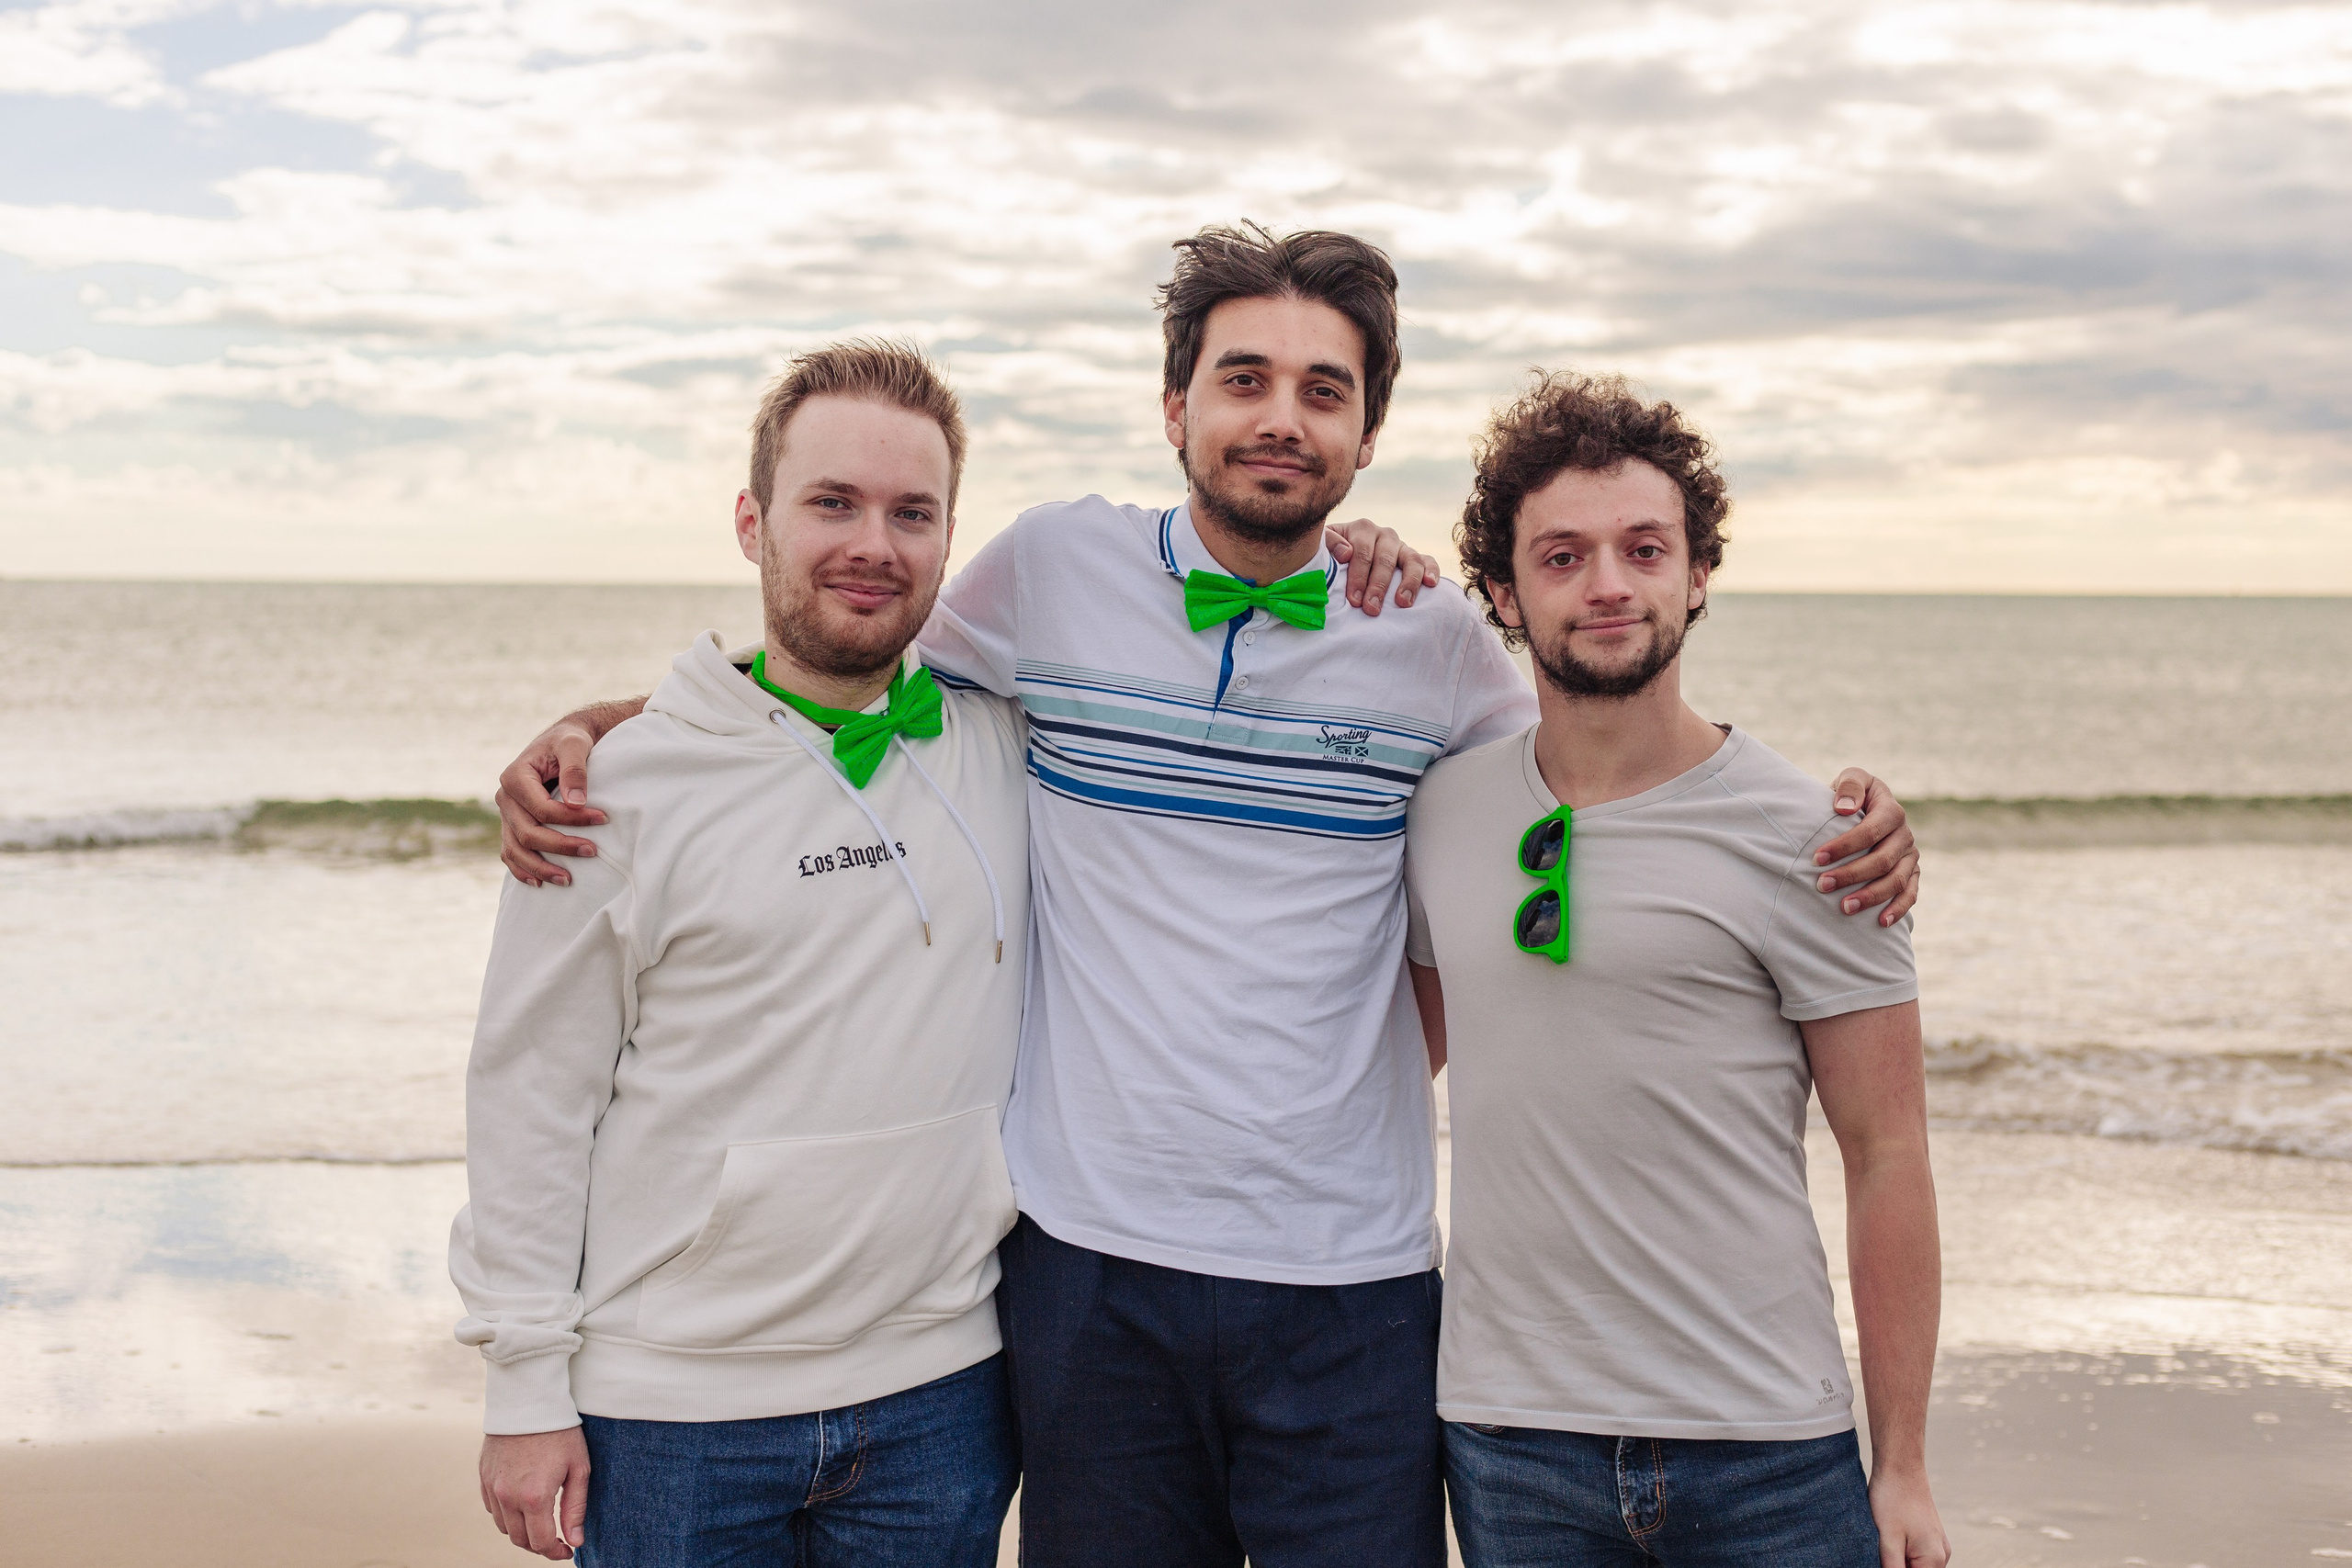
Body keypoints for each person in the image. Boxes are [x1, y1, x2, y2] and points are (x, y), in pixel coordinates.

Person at [494, 226, 1924, 1568]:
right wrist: (621, 728)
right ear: (1175, 406)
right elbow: (848, 664)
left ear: (1368, 435)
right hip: (1086, 1268)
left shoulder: (1428, 634)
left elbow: (1594, 771)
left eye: (1324, 391)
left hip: (1354, 1286)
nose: (1280, 418)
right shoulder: (1052, 570)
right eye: (1244, 380)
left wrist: (1834, 822)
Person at [453, 342, 1035, 1565]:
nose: (873, 544)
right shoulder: (613, 792)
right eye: (832, 502)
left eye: (911, 513)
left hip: (944, 1393)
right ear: (752, 522)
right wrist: (523, 1385)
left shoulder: (1008, 747)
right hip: (672, 1410)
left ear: (949, 541)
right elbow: (532, 1098)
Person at [1404, 371, 1949, 1567]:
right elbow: (1396, 1056)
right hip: (1510, 1440)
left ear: (1697, 572)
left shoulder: (1816, 838)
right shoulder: (1442, 811)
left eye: (1644, 549)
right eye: (1562, 557)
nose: (1609, 584)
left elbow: (1888, 1154)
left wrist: (1903, 1463)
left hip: (1767, 1445)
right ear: (1503, 593)